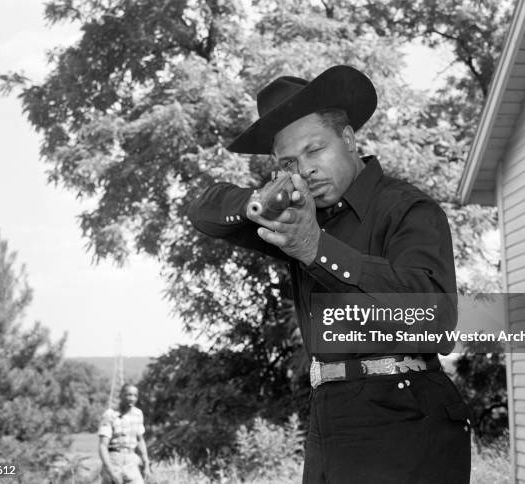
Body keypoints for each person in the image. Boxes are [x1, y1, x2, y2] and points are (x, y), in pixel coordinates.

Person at [188, 65, 471, 483]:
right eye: (289, 162)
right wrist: (263, 200)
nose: (305, 170)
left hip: (407, 418)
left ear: (349, 139)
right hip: (328, 419)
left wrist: (315, 248)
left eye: (314, 150)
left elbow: (438, 320)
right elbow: (203, 210)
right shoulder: (296, 216)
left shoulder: (409, 209)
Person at [98, 384, 150, 484]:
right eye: (129, 395)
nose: (132, 398)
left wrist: (146, 463)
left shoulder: (138, 414)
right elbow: (102, 446)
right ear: (121, 395)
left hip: (131, 461)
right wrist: (111, 472)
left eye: (135, 395)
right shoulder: (110, 415)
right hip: (114, 460)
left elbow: (140, 441)